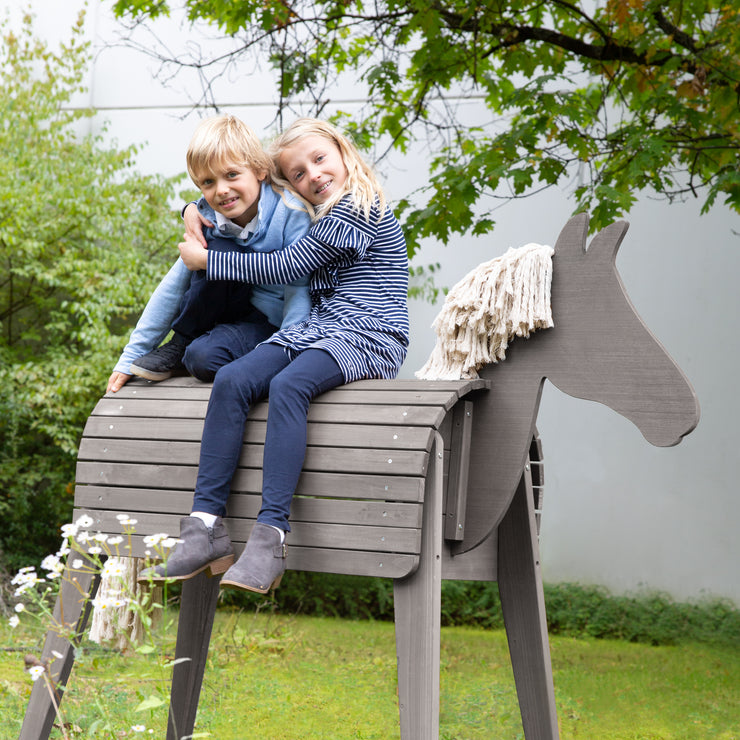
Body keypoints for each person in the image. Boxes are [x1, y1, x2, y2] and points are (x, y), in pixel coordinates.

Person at [140, 118, 410, 594]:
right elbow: (250, 193)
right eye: (299, 173)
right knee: (233, 380)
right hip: (319, 331)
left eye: (320, 159)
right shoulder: (316, 209)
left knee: (288, 386)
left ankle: (270, 537)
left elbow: (287, 265)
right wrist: (192, 208)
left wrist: (208, 261)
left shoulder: (356, 209)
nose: (313, 175)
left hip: (371, 334)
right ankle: (204, 526)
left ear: (344, 153)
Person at [107, 115, 311, 393]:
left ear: (260, 170)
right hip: (232, 310)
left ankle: (200, 349)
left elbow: (298, 288)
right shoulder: (207, 217)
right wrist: (129, 356)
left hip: (274, 323)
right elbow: (173, 286)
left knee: (201, 358)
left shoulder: (291, 212)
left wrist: (286, 349)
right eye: (208, 182)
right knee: (215, 248)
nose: (222, 190)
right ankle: (181, 342)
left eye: (231, 175)